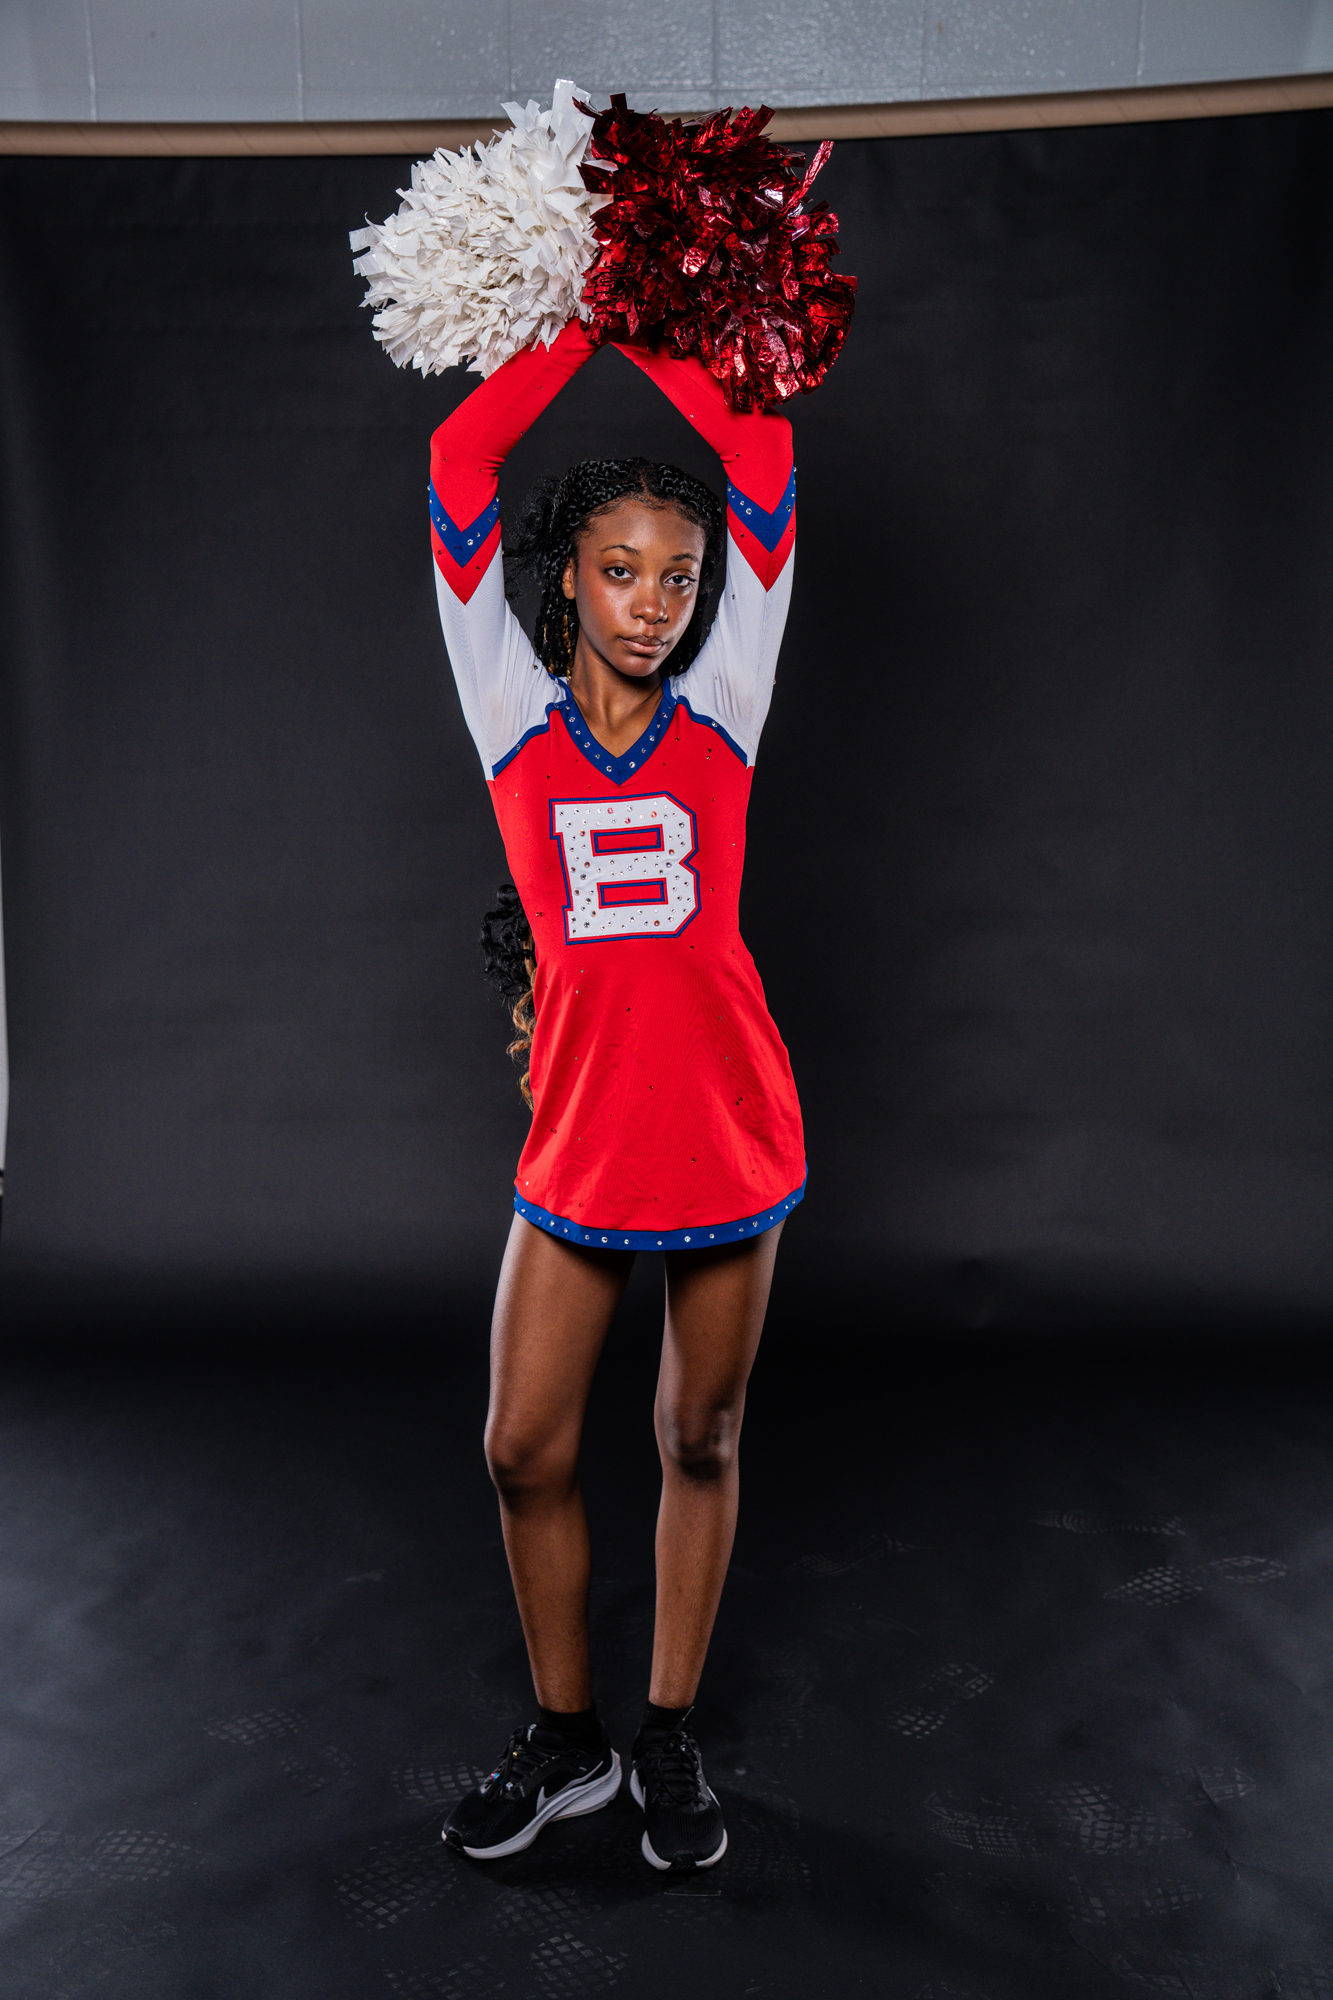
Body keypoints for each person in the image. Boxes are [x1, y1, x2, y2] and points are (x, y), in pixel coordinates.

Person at [430, 318, 805, 1873]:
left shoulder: (728, 702)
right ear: (567, 580)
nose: (654, 603)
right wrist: (579, 311)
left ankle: (663, 1733)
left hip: (727, 1131)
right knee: (523, 1448)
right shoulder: (509, 715)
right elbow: (459, 459)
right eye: (620, 571)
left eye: (679, 576)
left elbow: (762, 452)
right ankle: (565, 1738)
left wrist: (657, 313)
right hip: (582, 1144)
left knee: (695, 1437)